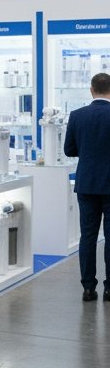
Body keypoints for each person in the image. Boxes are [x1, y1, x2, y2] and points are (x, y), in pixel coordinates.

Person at [63, 72, 110, 302]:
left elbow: (69, 150)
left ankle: (88, 288)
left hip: (87, 184)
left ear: (91, 90)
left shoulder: (77, 115)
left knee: (88, 236)